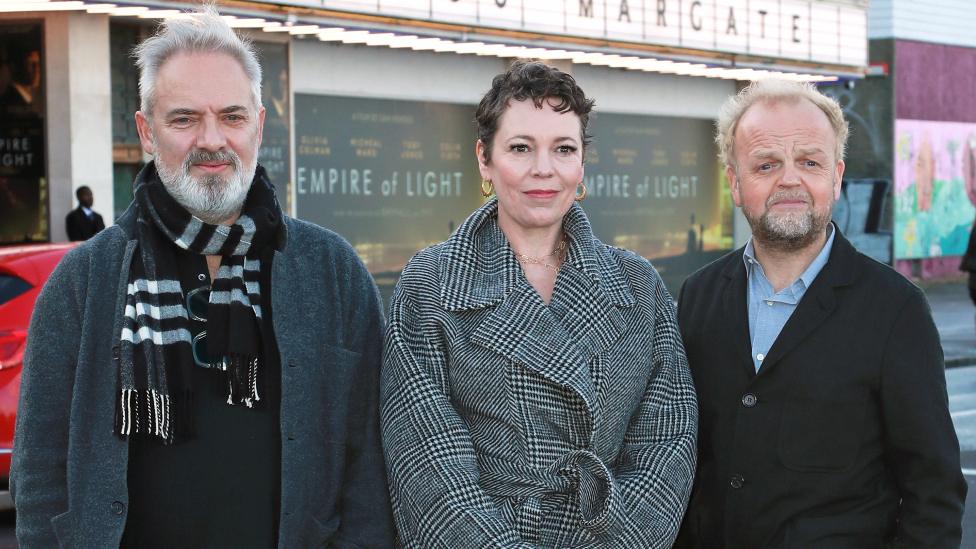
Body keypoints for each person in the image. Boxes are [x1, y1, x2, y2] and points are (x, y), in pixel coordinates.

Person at [11, 7, 393, 548]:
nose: (212, 140)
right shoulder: (81, 283)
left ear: (259, 125)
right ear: (147, 131)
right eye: (184, 118)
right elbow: (41, 477)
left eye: (232, 117)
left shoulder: (333, 273)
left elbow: (369, 468)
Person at [381, 60, 697, 547]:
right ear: (485, 160)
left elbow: (668, 442)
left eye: (563, 149)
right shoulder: (430, 284)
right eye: (521, 148)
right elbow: (428, 467)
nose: (543, 169)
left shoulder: (637, 285)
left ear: (582, 165)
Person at [675, 80, 966, 548]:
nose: (790, 179)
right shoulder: (697, 297)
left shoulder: (896, 310)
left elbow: (933, 492)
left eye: (809, 162)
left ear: (836, 175)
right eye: (766, 164)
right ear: (734, 182)